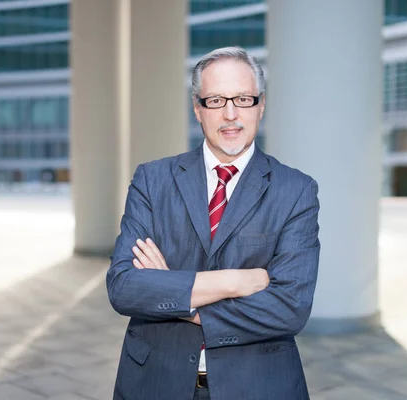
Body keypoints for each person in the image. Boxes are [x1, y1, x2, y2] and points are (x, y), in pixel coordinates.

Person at [106, 46, 320, 400]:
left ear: (261, 105)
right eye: (217, 100)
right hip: (156, 381)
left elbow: (290, 308)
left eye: (243, 99)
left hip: (258, 385)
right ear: (197, 109)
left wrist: (173, 293)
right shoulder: (152, 180)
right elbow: (125, 287)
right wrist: (237, 281)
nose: (231, 114)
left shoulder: (296, 190)